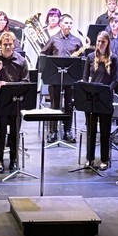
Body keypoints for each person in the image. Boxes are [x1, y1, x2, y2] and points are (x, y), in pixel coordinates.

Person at [0, 31, 29, 173]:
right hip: (1, 101)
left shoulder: (21, 60)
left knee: (15, 132)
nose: (8, 47)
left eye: (10, 44)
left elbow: (26, 82)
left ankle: (14, 160)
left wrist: (7, 84)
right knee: (0, 132)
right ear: (0, 45)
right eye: (5, 44)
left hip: (16, 102)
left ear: (14, 44)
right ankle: (0, 160)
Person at [41, 13, 84, 144]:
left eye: (70, 23)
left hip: (71, 79)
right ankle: (53, 132)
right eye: (66, 23)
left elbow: (83, 59)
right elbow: (43, 54)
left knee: (69, 105)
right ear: (60, 24)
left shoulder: (77, 41)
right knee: (54, 105)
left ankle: (67, 131)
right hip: (55, 78)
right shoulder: (53, 39)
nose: (68, 25)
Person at [82, 31, 117, 170]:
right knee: (91, 131)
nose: (100, 44)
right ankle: (89, 159)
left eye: (103, 41)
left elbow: (115, 80)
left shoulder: (113, 58)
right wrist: (87, 89)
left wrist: (107, 91)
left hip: (105, 99)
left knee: (104, 131)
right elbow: (85, 77)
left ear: (108, 43)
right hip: (91, 99)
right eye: (98, 41)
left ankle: (104, 160)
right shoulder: (90, 57)